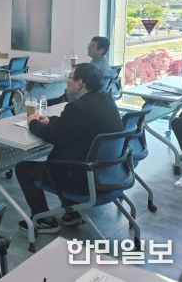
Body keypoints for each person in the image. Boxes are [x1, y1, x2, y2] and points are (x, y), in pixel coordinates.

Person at [15, 63, 122, 233]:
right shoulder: (106, 98)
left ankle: (43, 219)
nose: (67, 81)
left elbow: (53, 136)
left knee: (23, 169)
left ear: (80, 83)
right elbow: (71, 127)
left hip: (81, 176)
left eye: (70, 77)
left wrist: (32, 123)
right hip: (107, 172)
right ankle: (73, 213)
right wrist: (51, 121)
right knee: (70, 156)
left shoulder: (78, 108)